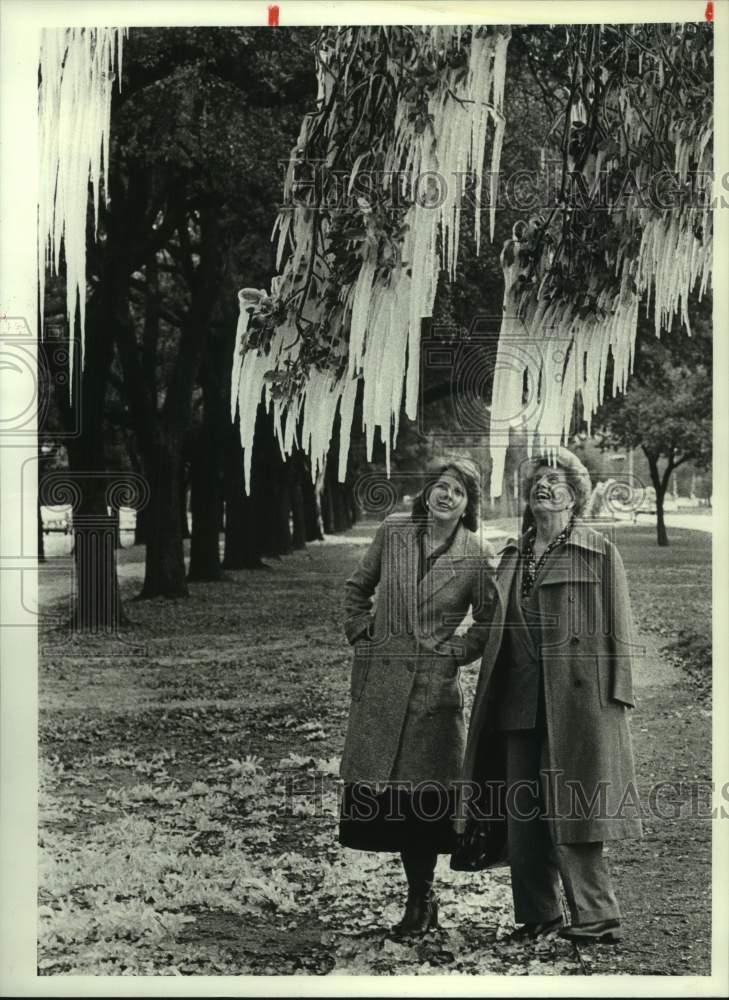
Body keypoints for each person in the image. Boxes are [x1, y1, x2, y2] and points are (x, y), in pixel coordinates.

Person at [461, 447, 642, 945]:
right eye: (538, 478)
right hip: (516, 698)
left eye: (557, 480)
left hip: (578, 701)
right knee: (522, 815)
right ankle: (539, 915)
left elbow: (620, 629)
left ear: (575, 495)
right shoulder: (513, 555)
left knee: (575, 809)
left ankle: (597, 915)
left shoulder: (599, 550)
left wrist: (616, 697)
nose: (545, 485)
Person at [339, 460, 498, 937]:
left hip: (432, 691)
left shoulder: (476, 554)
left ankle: (420, 899)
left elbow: (490, 619)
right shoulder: (395, 532)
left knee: (424, 801)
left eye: (458, 492)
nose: (445, 496)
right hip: (383, 684)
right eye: (440, 487)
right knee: (388, 798)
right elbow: (357, 588)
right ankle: (418, 899)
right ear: (427, 492)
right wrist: (362, 633)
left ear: (469, 505)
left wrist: (459, 651)